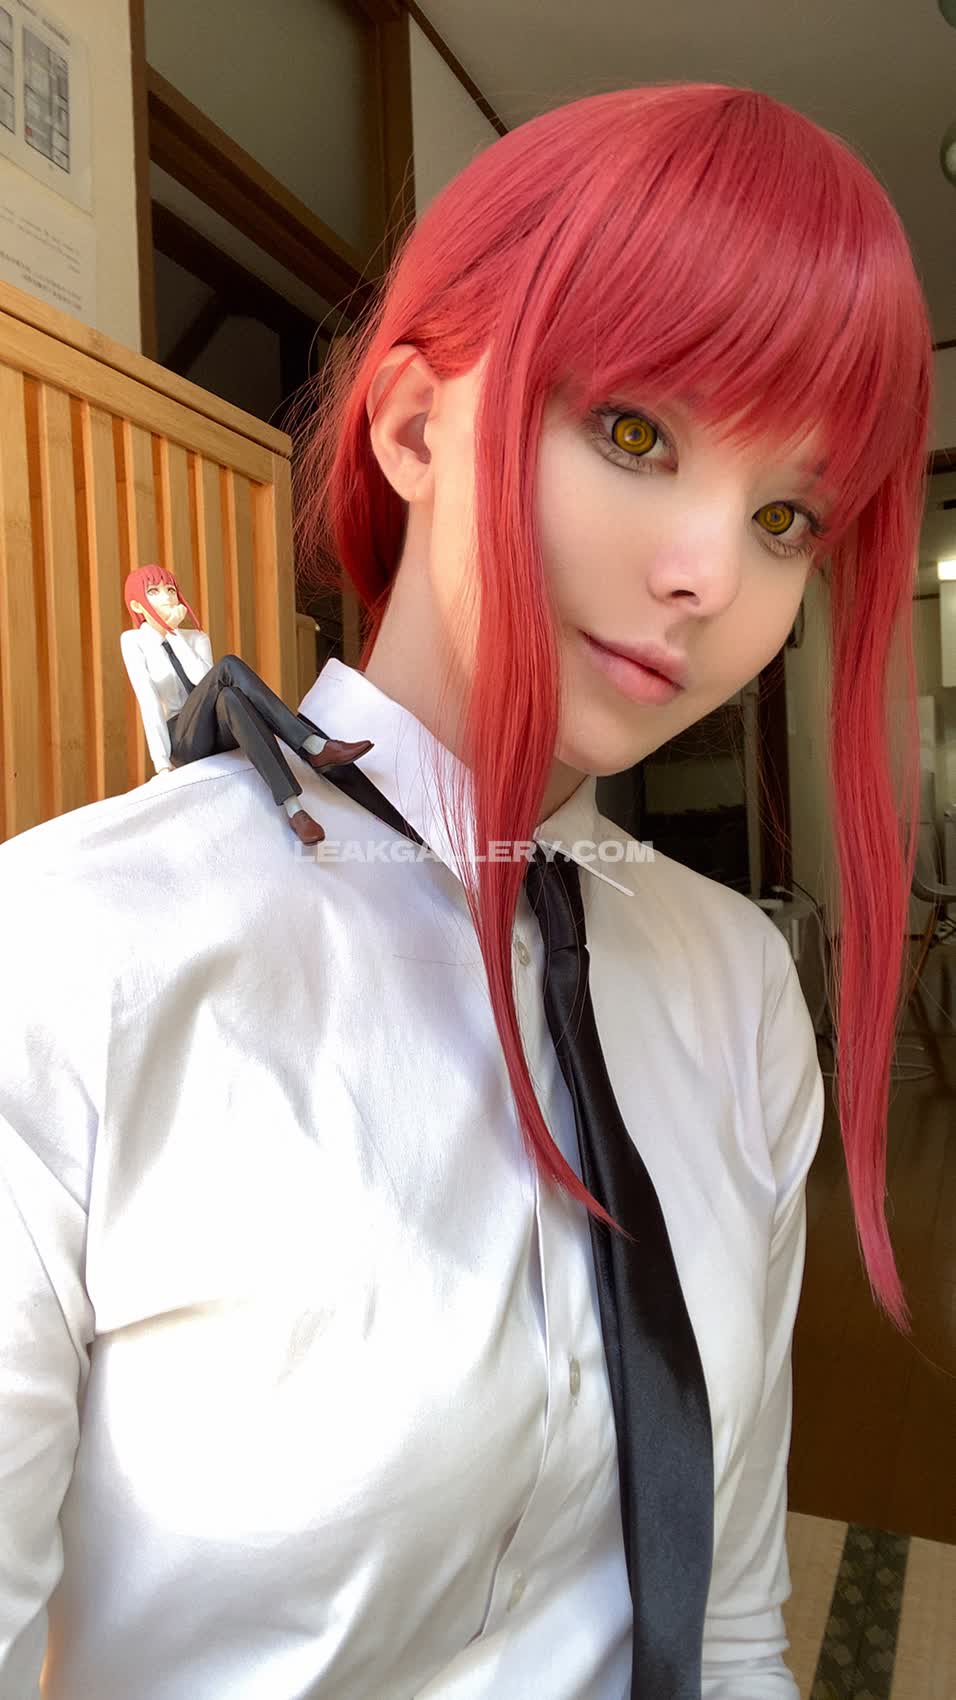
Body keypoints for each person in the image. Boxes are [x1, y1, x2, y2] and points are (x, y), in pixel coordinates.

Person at [0, 83, 932, 1700]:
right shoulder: (76, 956)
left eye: (789, 516)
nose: (712, 574)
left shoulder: (733, 982)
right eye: (636, 434)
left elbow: (725, 1624)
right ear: (417, 426)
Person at [119, 563, 372, 844]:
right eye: (154, 592)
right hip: (183, 739)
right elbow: (149, 702)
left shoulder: (196, 638)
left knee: (231, 697)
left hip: (215, 729)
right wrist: (162, 766)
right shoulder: (133, 641)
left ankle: (295, 810)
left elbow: (204, 682)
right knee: (228, 666)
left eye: (170, 589)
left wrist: (175, 635)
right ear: (137, 605)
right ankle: (311, 745)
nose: (167, 597)